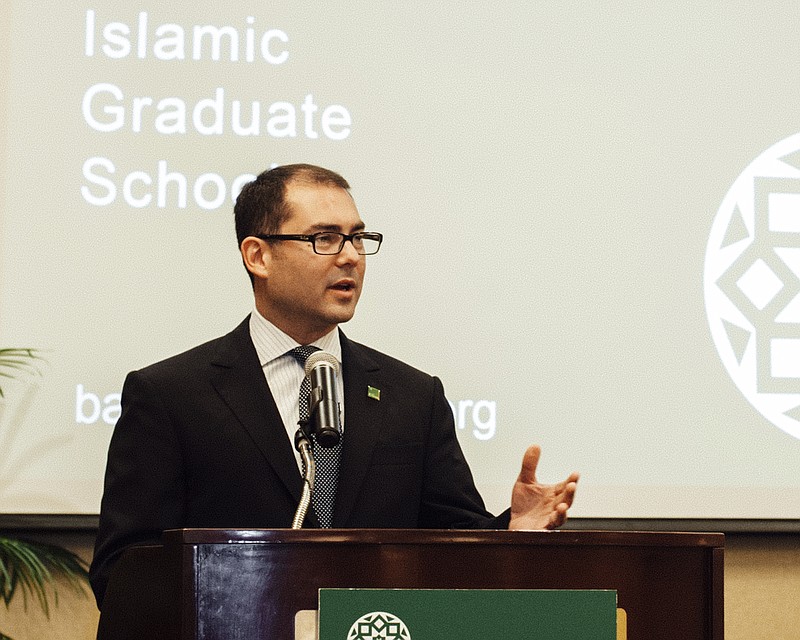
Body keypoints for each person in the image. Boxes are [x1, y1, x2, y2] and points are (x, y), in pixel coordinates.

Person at [89, 163, 579, 608]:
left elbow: (454, 545)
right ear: (258, 255)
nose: (350, 258)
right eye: (324, 238)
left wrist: (512, 531)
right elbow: (123, 570)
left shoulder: (413, 396)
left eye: (357, 238)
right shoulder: (172, 395)